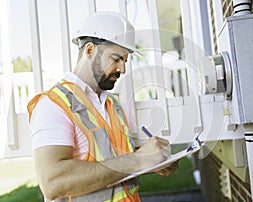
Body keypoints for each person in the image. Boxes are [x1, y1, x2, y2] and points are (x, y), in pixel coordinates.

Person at [28, 11, 177, 202]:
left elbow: (113, 164)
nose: (122, 69)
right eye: (116, 59)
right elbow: (53, 183)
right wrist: (138, 160)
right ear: (90, 50)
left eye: (125, 60)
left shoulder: (111, 104)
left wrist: (149, 163)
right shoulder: (52, 105)